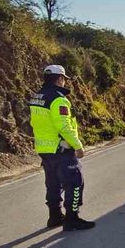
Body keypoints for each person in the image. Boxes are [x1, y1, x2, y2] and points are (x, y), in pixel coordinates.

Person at [28, 65, 95, 231]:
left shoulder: (37, 97)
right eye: (64, 79)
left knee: (53, 184)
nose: (64, 82)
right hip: (62, 149)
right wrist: (77, 146)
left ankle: (55, 216)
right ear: (59, 79)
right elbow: (64, 126)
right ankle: (72, 218)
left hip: (45, 149)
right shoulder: (58, 99)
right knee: (75, 183)